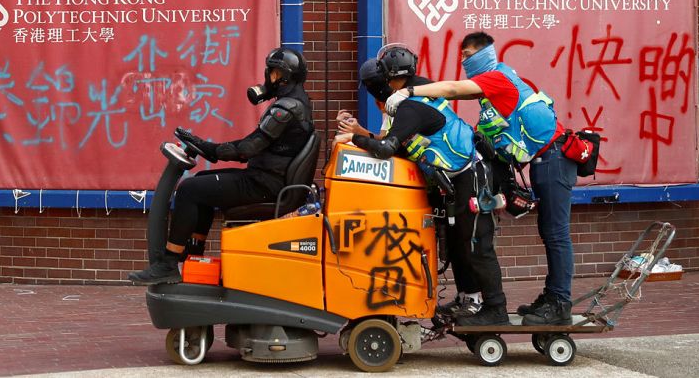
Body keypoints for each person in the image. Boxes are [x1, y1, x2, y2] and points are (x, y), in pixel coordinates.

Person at [387, 32, 576, 326]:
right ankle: (553, 297)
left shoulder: (496, 78)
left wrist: (409, 93)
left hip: (554, 158)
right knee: (549, 232)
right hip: (548, 159)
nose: (462, 60)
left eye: (466, 54)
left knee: (555, 233)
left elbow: (452, 89)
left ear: (482, 54)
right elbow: (461, 94)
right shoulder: (497, 82)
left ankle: (559, 302)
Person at [334, 46, 508, 326]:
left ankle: (496, 309)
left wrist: (354, 140)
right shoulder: (422, 88)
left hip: (471, 177)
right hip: (455, 180)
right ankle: (469, 299)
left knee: (476, 244)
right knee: (456, 242)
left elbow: (386, 148)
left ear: (390, 77)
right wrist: (361, 133)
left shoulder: (409, 107)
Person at [129, 47, 314, 285]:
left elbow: (247, 149)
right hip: (269, 180)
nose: (269, 78)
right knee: (200, 183)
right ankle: (194, 258)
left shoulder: (286, 108)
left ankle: (167, 264)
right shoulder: (297, 103)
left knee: (189, 190)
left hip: (265, 184)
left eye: (273, 73)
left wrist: (209, 148)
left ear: (284, 76)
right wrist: (208, 149)